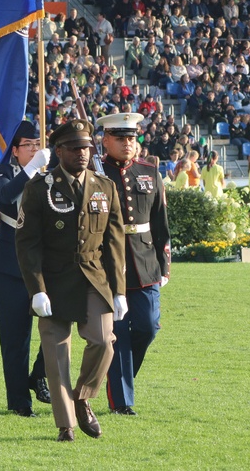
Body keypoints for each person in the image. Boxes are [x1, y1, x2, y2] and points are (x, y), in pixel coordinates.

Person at [16, 119, 127, 442]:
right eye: (75, 148)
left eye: (87, 147)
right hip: (53, 280)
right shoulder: (39, 188)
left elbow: (115, 242)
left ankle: (82, 397)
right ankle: (66, 423)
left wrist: (119, 291)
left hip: (94, 277)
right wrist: (36, 289)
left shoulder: (104, 187)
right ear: (59, 151)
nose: (82, 153)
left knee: (104, 341)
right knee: (56, 352)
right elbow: (27, 244)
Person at [96, 112, 170, 417]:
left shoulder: (149, 171)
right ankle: (122, 401)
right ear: (106, 140)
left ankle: (123, 379)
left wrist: (164, 264)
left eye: (132, 138)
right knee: (117, 335)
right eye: (120, 138)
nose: (128, 144)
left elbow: (160, 221)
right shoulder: (95, 172)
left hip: (145, 261)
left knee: (147, 327)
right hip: (107, 264)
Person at [0, 121, 52, 417]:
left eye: (38, 144)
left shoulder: (50, 173)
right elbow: (4, 196)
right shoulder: (3, 171)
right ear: (15, 151)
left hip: (45, 261)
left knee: (60, 322)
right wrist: (31, 169)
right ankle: (19, 402)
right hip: (9, 264)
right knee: (15, 337)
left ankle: (39, 374)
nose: (35, 149)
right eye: (28, 145)